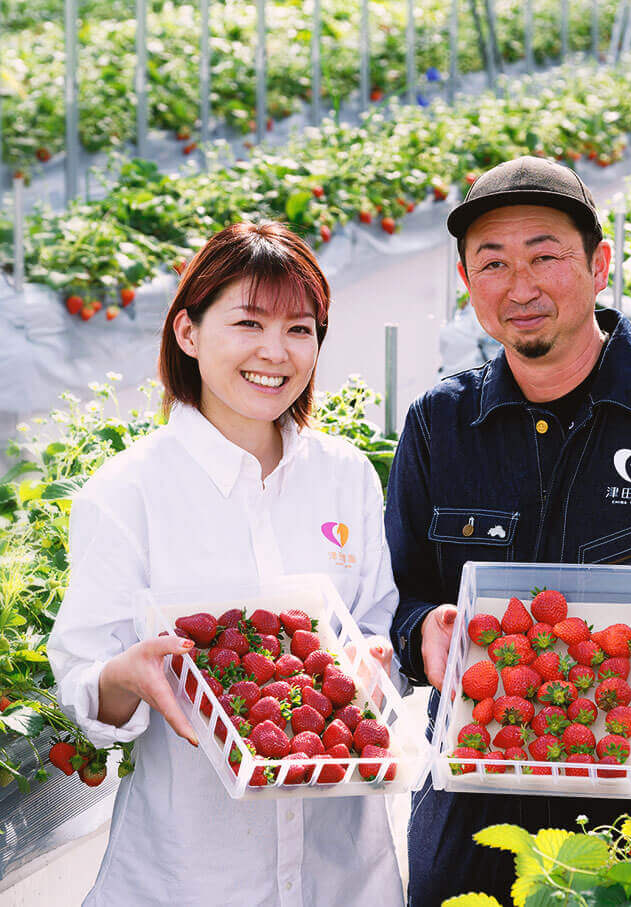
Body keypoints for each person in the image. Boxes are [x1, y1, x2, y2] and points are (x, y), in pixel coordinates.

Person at [385, 156, 631, 905]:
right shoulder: (436, 428)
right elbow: (400, 599)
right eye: (493, 262)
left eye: (545, 255)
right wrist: (422, 634)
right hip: (469, 811)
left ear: (598, 263)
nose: (520, 287)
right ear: (467, 281)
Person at [48, 221, 405, 907]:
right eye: (249, 322)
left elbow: (370, 623)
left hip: (345, 878)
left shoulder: (345, 475)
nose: (276, 351)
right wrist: (127, 676)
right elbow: (82, 687)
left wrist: (371, 656)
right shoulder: (129, 491)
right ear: (188, 331)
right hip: (189, 880)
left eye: (301, 329)